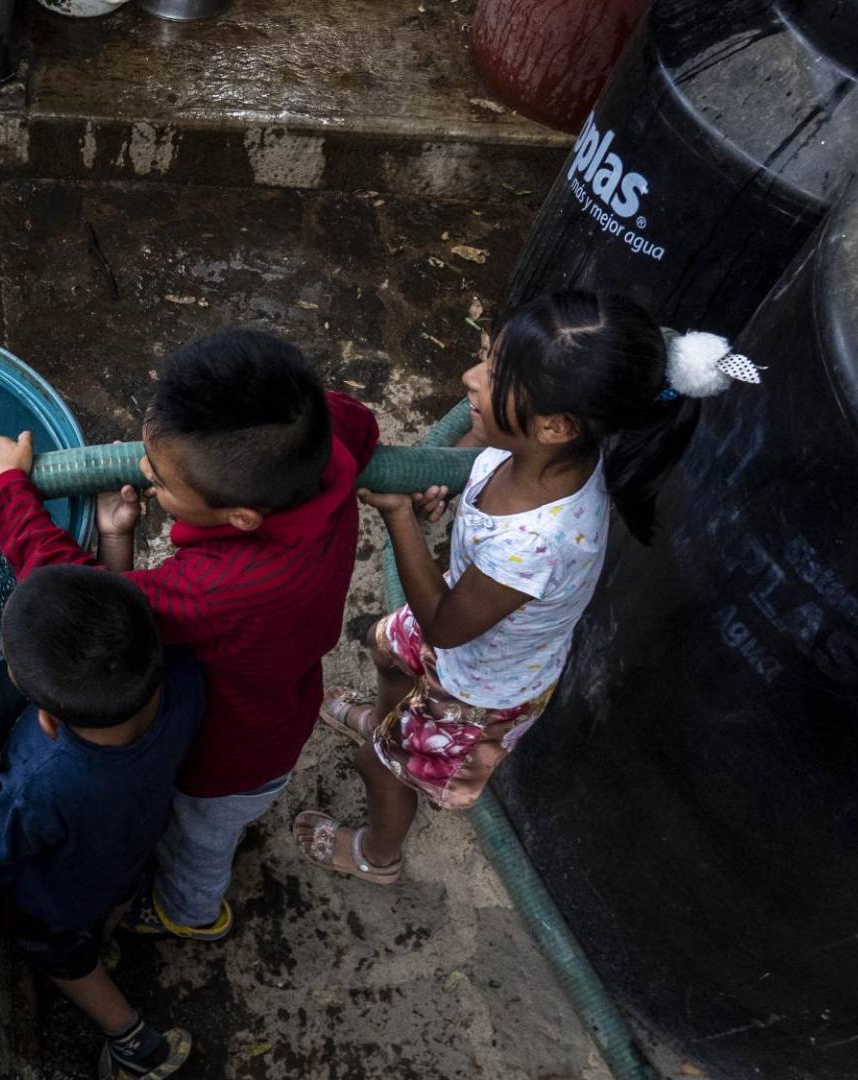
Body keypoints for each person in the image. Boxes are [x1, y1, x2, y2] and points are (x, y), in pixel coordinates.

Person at [0, 329, 379, 941]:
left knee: (199, 841)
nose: (142, 474)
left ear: (240, 519)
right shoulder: (323, 437)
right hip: (283, 695)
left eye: (160, 479)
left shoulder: (223, 585)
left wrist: (8, 492)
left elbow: (86, 602)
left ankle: (187, 914)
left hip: (231, 759)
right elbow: (360, 421)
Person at [294, 290, 704, 882]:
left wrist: (399, 516)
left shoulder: (539, 542)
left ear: (556, 425)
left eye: (493, 372)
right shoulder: (540, 452)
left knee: (377, 769)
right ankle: (388, 725)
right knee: (385, 649)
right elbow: (474, 457)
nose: (470, 377)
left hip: (477, 684)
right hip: (468, 624)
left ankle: (376, 855)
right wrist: (441, 482)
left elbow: (444, 628)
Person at [0, 565, 202, 1079]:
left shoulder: (44, 779)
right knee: (110, 901)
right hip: (128, 850)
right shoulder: (181, 677)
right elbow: (114, 641)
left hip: (58, 898)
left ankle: (135, 1042)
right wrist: (116, 545)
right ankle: (108, 935)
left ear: (45, 717)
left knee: (63, 956)